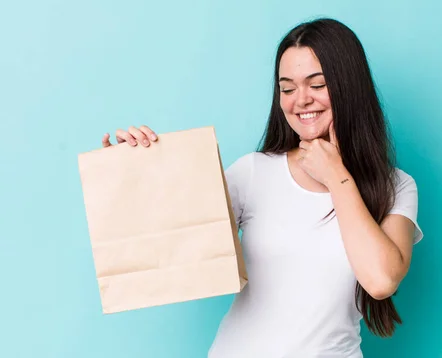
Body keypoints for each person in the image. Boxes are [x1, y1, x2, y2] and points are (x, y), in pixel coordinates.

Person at [101, 17, 423, 358]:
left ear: (348, 86)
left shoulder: (396, 187)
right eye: (287, 88)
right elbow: (171, 244)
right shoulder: (254, 172)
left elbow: (380, 280)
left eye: (317, 84)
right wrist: (131, 172)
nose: (300, 100)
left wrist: (337, 177)